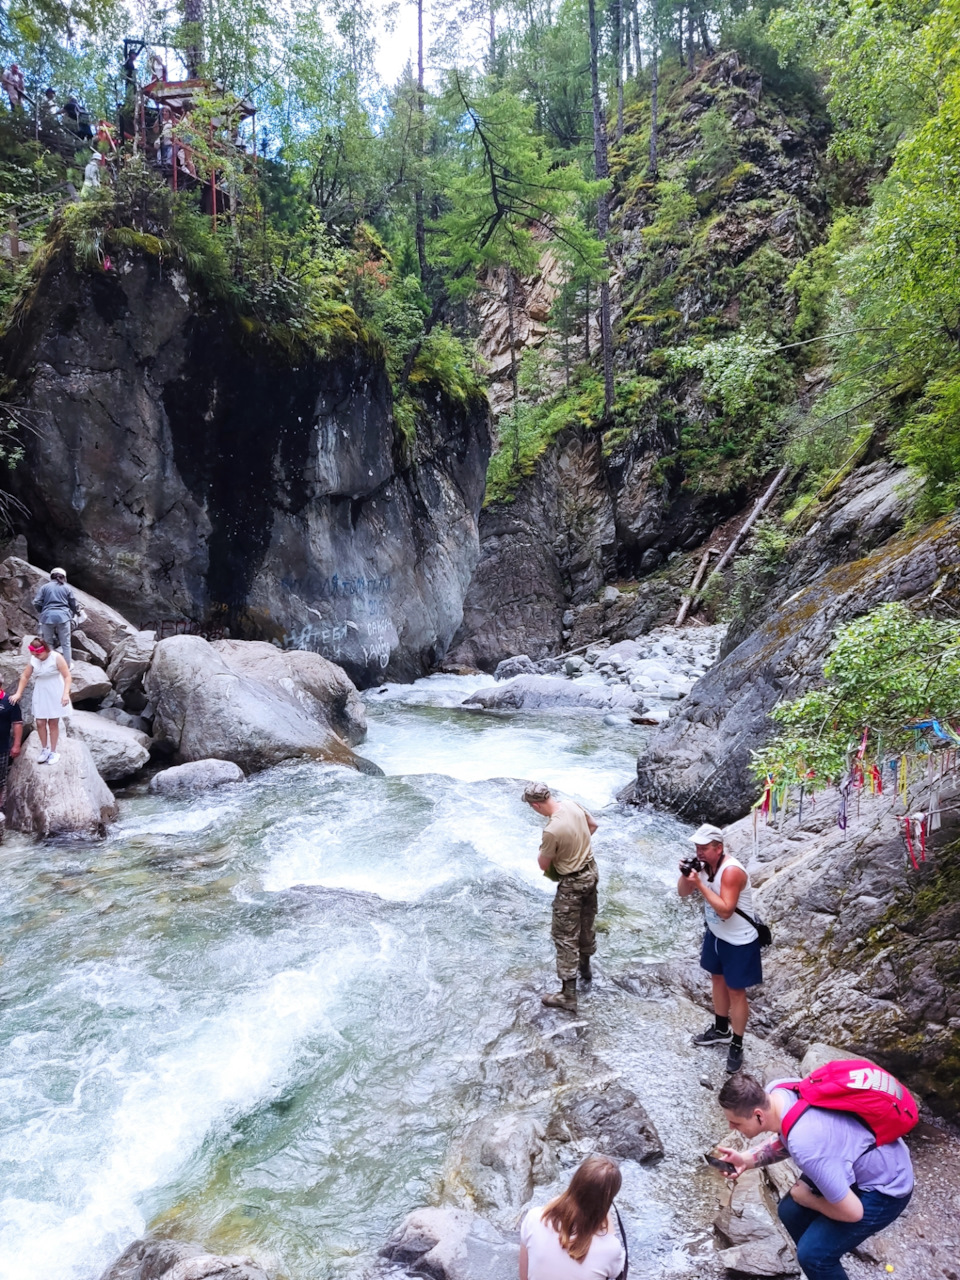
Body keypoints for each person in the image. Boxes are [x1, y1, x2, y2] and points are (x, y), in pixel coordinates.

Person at [716, 1071, 914, 1280]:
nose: (731, 1127)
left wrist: (810, 1199)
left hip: (887, 1187)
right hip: (857, 1157)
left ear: (758, 1115)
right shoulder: (778, 1090)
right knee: (790, 1210)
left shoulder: (806, 1147)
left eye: (735, 1123)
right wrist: (746, 1160)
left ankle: (820, 1264)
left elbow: (854, 1212)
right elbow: (786, 1137)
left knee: (813, 1256)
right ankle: (819, 1269)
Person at [677, 822, 761, 1074]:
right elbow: (682, 893)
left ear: (719, 848)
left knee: (736, 991)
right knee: (717, 979)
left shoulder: (731, 871)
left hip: (738, 939)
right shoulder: (704, 866)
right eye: (697, 847)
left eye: (704, 848)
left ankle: (737, 1042)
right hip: (715, 935)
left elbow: (725, 910)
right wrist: (686, 875)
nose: (699, 852)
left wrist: (700, 885)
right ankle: (721, 1028)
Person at [523, 781, 599, 1012]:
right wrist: (578, 848)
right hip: (591, 872)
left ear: (536, 805)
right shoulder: (571, 805)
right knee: (587, 922)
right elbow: (593, 825)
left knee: (564, 935)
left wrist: (563, 855)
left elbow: (543, 863)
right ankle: (586, 969)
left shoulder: (551, 830)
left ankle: (568, 995)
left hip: (572, 883)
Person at [520, 1155, 625, 1280]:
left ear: (574, 1183)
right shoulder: (611, 1249)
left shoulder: (534, 1217)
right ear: (607, 1201)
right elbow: (617, 1274)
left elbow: (523, 1276)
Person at [10, 637, 73, 764]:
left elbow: (67, 676)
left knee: (53, 722)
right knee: (40, 722)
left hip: (55, 690)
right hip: (41, 690)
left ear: (45, 650)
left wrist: (65, 694)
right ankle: (45, 748)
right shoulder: (34, 659)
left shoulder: (56, 657)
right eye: (34, 654)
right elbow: (25, 676)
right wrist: (18, 693)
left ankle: (54, 751)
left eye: (38, 653)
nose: (37, 656)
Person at [33, 567, 81, 668]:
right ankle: (67, 666)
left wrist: (42, 611)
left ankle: (51, 665)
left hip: (47, 617)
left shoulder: (44, 587)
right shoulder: (67, 588)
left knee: (48, 642)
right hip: (63, 617)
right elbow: (73, 604)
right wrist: (76, 613)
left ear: (51, 577)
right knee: (66, 643)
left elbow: (36, 602)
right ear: (64, 577)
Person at [0, 678, 24, 807]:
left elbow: (17, 724)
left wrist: (16, 745)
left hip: (2, 747)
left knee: (0, 780)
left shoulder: (10, 702)